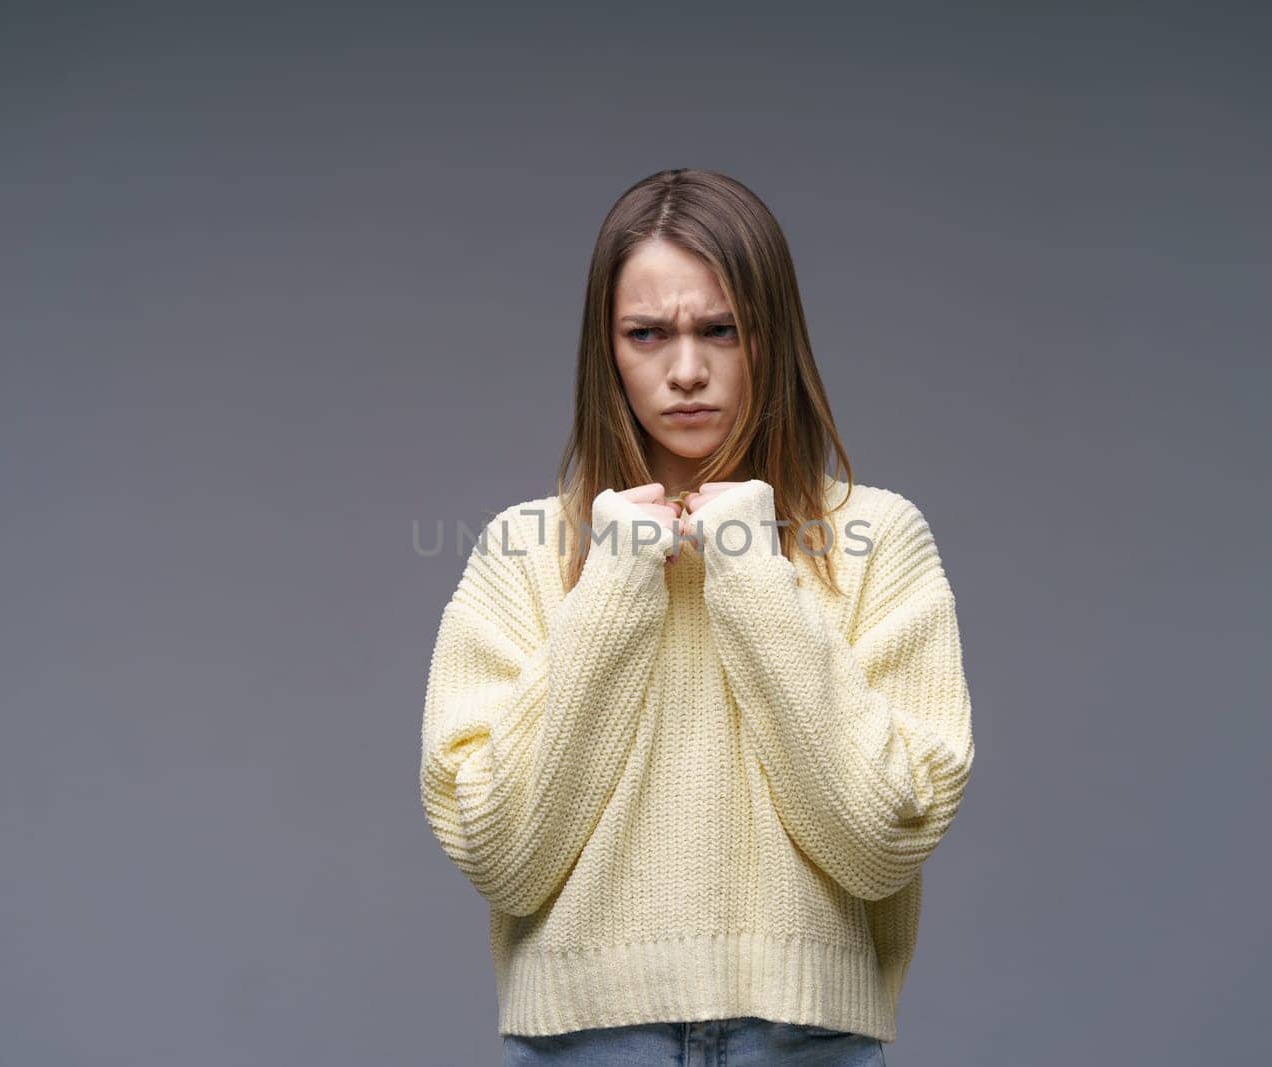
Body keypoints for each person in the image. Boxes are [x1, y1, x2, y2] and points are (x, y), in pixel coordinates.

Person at [418, 168, 975, 1065]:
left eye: (720, 329)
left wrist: (751, 563)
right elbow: (501, 853)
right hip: (583, 1043)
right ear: (608, 352)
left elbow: (883, 841)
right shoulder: (523, 548)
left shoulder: (878, 537)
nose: (685, 370)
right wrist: (617, 572)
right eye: (647, 334)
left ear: (773, 338)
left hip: (808, 1041)